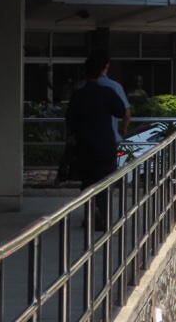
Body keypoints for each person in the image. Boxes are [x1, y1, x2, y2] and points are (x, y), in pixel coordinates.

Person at [66, 50, 127, 228]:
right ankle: (104, 217)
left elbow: (70, 119)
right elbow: (121, 111)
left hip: (84, 145)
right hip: (105, 144)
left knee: (87, 181)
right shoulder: (108, 92)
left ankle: (90, 216)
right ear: (103, 69)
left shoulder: (78, 94)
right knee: (106, 181)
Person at [75, 51, 131, 145]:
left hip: (84, 140)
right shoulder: (113, 87)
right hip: (108, 139)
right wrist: (122, 129)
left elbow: (72, 116)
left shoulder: (79, 87)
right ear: (107, 66)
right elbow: (125, 114)